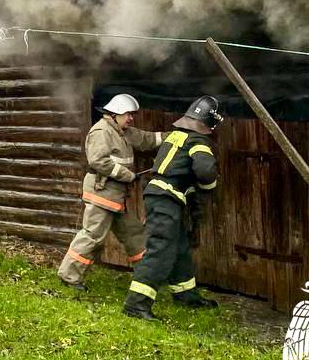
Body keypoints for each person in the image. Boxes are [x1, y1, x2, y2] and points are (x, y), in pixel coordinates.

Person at [123, 95, 224, 320]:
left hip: (162, 196)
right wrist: (208, 187)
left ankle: (186, 294)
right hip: (166, 199)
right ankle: (136, 304)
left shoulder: (176, 135)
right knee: (160, 249)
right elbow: (206, 172)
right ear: (210, 122)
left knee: (179, 247)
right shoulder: (198, 142)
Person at [58, 93, 163, 291]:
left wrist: (174, 137)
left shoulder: (123, 131)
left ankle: (146, 276)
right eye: (128, 114)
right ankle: (69, 277)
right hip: (101, 194)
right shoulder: (101, 131)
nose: (131, 118)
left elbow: (147, 139)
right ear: (115, 114)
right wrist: (128, 175)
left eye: (132, 114)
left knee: (133, 233)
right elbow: (99, 161)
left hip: (115, 197)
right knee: (92, 236)